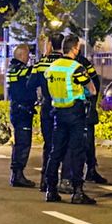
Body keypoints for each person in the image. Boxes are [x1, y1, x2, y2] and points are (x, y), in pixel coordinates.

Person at [42, 35, 97, 204]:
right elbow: (92, 90)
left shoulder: (52, 67)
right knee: (76, 152)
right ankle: (78, 192)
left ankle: (51, 190)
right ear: (75, 49)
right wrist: (85, 92)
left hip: (58, 112)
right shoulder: (76, 68)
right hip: (75, 113)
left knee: (55, 151)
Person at [29, 33, 65, 192]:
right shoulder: (69, 63)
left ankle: (45, 181)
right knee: (66, 146)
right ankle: (65, 181)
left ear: (49, 44)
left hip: (47, 107)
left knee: (49, 145)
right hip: (65, 107)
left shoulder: (41, 63)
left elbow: (30, 84)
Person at [5, 44, 38, 188]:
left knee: (20, 142)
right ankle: (18, 175)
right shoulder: (18, 70)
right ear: (21, 55)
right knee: (23, 143)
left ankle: (16, 174)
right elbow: (33, 73)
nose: (28, 58)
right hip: (22, 111)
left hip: (18, 110)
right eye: (27, 55)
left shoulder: (12, 69)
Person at [75, 44, 107, 185]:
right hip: (81, 107)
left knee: (85, 141)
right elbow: (95, 82)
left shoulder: (80, 63)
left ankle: (88, 170)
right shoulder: (81, 63)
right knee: (85, 141)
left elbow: (94, 82)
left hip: (76, 108)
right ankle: (87, 171)